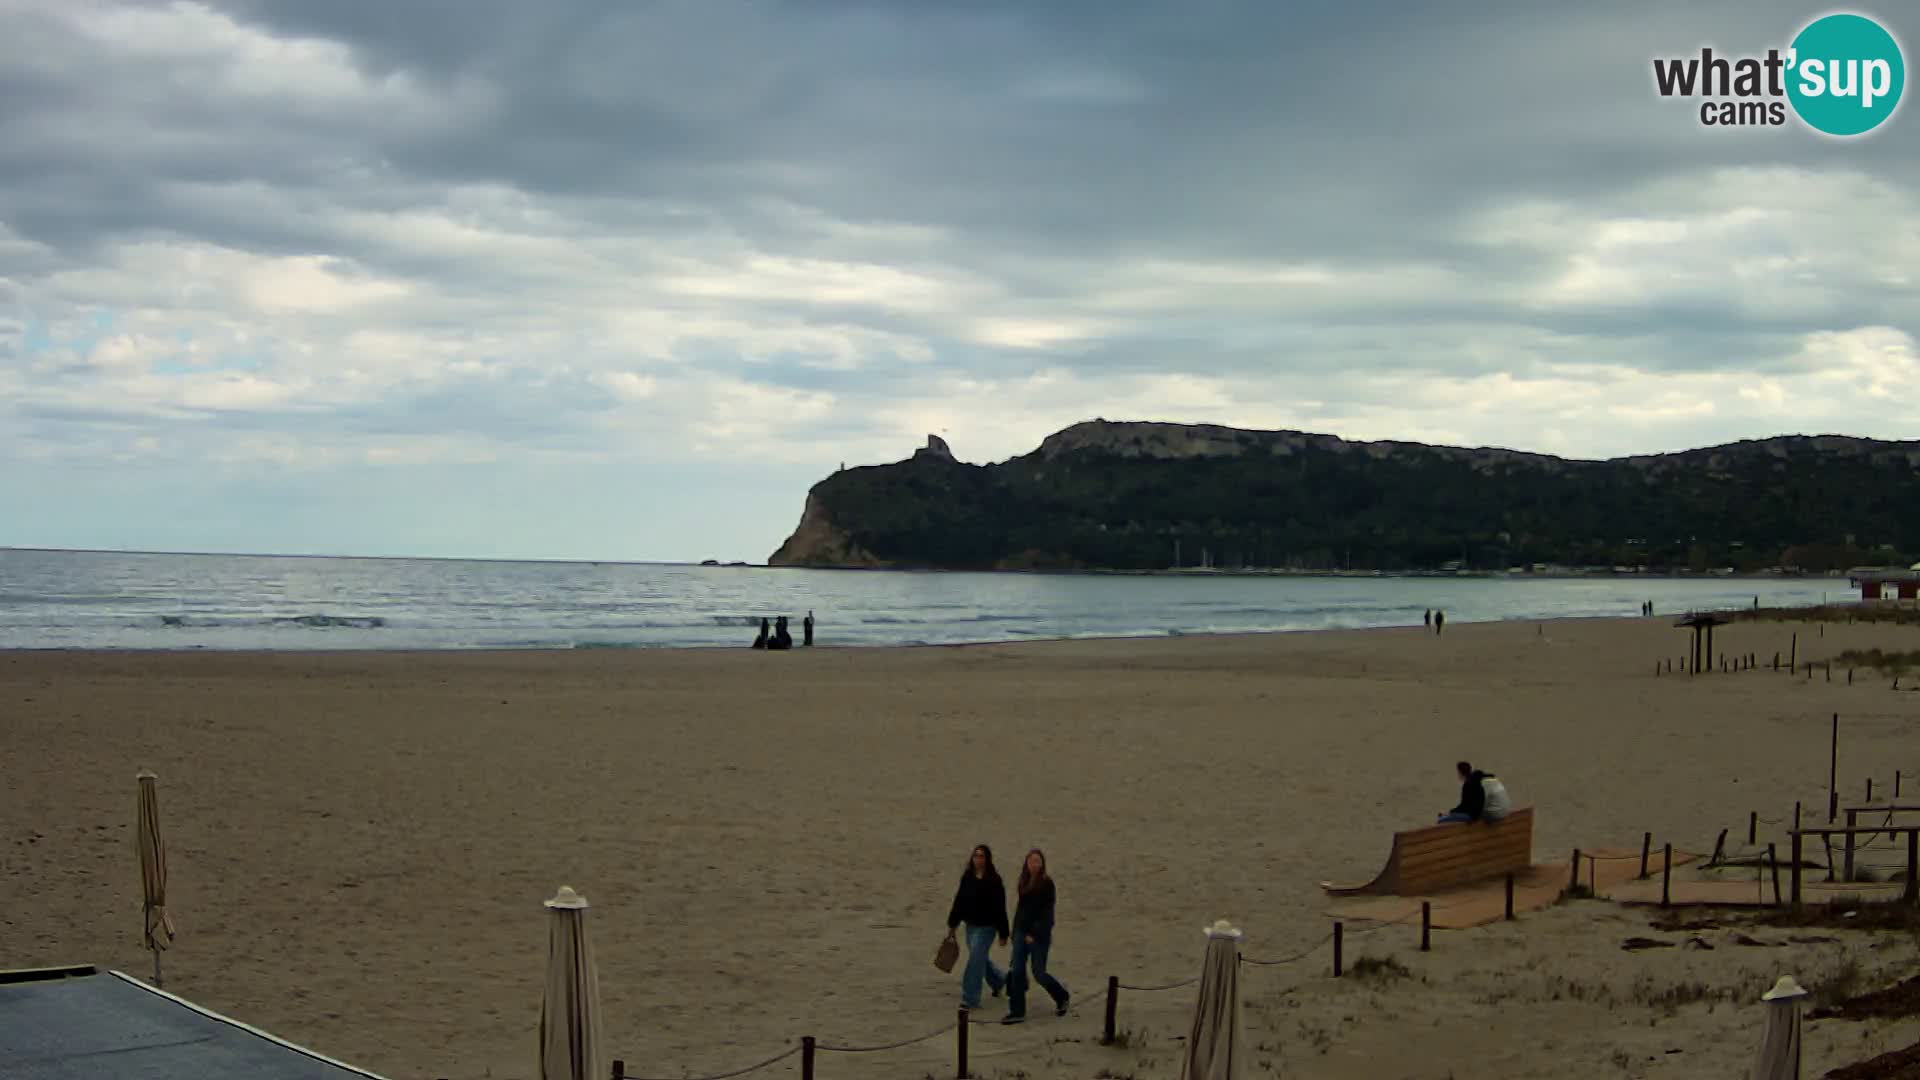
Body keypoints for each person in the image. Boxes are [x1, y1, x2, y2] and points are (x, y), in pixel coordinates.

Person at [1002, 849, 1069, 1024]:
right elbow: (1021, 909)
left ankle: (1061, 996)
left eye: (1037, 861)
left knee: (1039, 973)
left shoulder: (1047, 884)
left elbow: (1047, 915)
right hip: (1021, 932)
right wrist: (1015, 931)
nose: (1034, 864)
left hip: (1039, 936)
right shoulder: (1023, 882)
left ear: (1042, 864)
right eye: (1031, 861)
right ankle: (1017, 1011)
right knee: (1017, 971)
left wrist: (1034, 933)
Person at [945, 844, 1009, 1009]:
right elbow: (959, 901)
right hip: (970, 927)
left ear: (987, 859)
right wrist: (953, 925)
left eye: (981, 856)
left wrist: (1003, 933)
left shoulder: (994, 880)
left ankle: (970, 998)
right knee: (980, 959)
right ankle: (999, 980)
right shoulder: (967, 877)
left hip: (987, 929)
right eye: (975, 856)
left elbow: (1000, 907)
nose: (978, 859)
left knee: (974, 961)